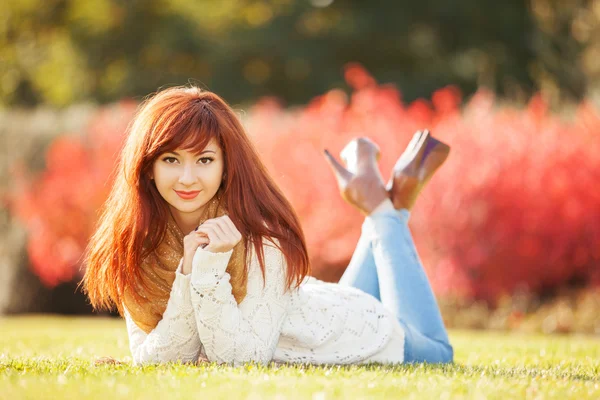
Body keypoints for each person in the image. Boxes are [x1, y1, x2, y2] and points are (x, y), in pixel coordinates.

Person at [82, 86, 453, 367]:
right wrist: (189, 270)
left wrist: (209, 268)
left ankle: (384, 210)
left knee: (440, 354)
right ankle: (385, 201)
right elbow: (157, 358)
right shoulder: (136, 247)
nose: (188, 177)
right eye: (171, 159)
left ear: (226, 165)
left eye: (205, 159)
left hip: (359, 331)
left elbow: (241, 360)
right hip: (316, 312)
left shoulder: (260, 241)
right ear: (147, 166)